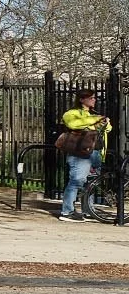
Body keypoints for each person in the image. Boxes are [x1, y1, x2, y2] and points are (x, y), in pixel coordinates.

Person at [57, 88, 113, 222]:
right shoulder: (72, 113)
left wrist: (103, 123)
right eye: (91, 98)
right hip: (80, 153)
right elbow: (73, 124)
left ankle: (88, 210)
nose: (94, 100)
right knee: (77, 180)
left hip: (96, 152)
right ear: (82, 99)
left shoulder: (94, 114)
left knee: (91, 182)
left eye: (94, 98)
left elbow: (108, 129)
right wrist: (94, 120)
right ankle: (67, 211)